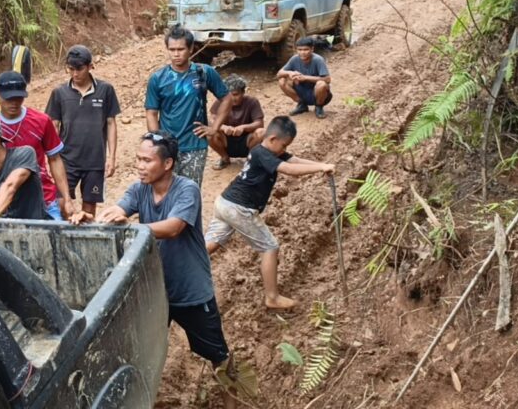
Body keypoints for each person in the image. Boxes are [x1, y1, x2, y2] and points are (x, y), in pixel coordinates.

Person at [75, 132, 236, 409]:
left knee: (217, 354)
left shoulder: (187, 189)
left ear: (168, 163)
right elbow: (119, 209)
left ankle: (234, 399)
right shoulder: (139, 189)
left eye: (147, 160)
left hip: (190, 290)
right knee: (141, 352)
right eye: (138, 159)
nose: (140, 165)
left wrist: (129, 226)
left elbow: (174, 227)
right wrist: (96, 220)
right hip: (154, 289)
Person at [205, 116, 334, 310]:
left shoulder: (271, 152)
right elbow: (289, 169)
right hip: (239, 208)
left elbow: (293, 159)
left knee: (211, 243)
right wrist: (320, 168)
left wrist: (321, 164)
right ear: (272, 138)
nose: (284, 150)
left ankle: (178, 266)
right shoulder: (261, 153)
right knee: (270, 247)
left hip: (225, 203)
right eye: (283, 145)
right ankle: (272, 297)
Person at [145, 27, 230, 187]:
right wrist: (157, 141)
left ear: (191, 49)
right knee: (164, 193)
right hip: (167, 148)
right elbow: (151, 113)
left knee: (190, 194)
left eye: (181, 49)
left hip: (195, 146)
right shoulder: (158, 78)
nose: (176, 54)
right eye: (172, 50)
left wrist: (214, 128)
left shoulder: (204, 72)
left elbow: (226, 98)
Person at [45, 45, 120, 217]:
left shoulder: (105, 90)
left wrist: (112, 157)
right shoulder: (59, 93)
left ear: (90, 66)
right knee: (63, 203)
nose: (75, 74)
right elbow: (53, 126)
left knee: (89, 207)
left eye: (79, 69)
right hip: (66, 159)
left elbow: (111, 123)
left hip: (95, 160)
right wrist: (51, 159)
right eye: (71, 69)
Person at [0, 71, 75, 220]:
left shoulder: (41, 121)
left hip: (44, 198)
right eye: (8, 98)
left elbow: (55, 159)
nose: (14, 103)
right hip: (5, 202)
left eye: (18, 98)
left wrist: (66, 198)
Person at [207, 74, 265, 170]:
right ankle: (224, 158)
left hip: (247, 141)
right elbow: (212, 119)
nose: (232, 98)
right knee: (209, 133)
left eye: (235, 94)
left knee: (261, 132)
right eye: (229, 95)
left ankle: (251, 159)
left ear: (243, 92)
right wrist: (223, 127)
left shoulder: (252, 102)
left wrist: (243, 128)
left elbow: (259, 123)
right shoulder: (221, 102)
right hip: (226, 141)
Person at [276, 36, 333, 119]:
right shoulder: (294, 59)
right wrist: (290, 73)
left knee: (322, 84)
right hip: (302, 91)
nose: (302, 52)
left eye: (306, 49)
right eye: (300, 50)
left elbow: (327, 79)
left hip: (319, 94)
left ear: (312, 49)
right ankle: (302, 105)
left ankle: (319, 107)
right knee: (282, 81)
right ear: (296, 50)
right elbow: (279, 74)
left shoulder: (318, 60)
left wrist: (305, 78)